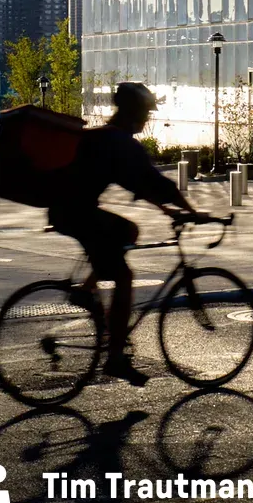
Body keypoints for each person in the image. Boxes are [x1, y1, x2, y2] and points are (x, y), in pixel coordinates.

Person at [48, 82, 198, 387]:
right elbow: (154, 181)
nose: (147, 120)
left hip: (68, 210)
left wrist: (166, 210)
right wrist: (192, 211)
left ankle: (87, 288)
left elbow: (136, 182)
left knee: (127, 229)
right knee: (124, 277)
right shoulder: (119, 142)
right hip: (77, 213)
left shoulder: (108, 138)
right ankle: (115, 358)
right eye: (145, 113)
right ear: (133, 112)